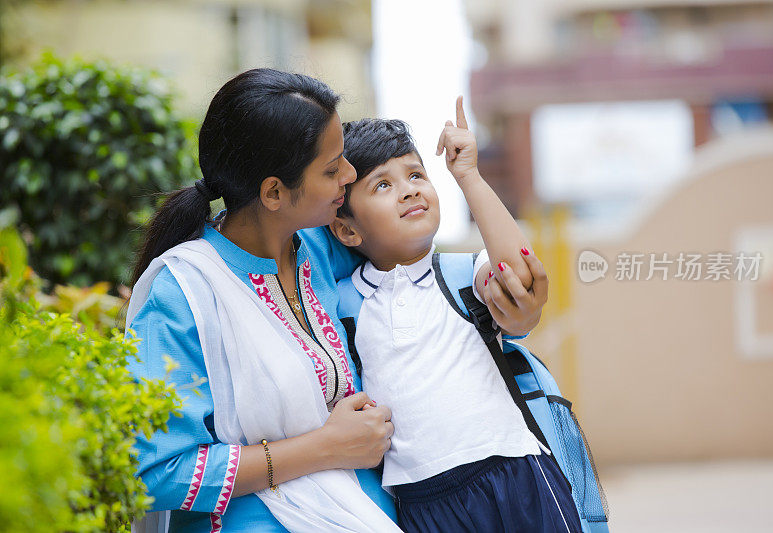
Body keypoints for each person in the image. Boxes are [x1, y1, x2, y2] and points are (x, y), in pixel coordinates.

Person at [125, 69, 547, 533]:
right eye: (331, 169)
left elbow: (439, 272)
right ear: (274, 193)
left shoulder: (321, 250)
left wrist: (516, 301)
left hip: (380, 511)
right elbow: (156, 473)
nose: (350, 175)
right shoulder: (183, 292)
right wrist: (324, 446)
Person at [328, 99, 582, 532]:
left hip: (515, 474)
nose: (409, 189)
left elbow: (517, 275)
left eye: (415, 175)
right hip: (422, 501)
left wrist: (469, 177)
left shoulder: (464, 273)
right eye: (382, 185)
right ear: (348, 229)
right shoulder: (343, 303)